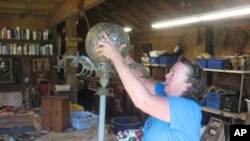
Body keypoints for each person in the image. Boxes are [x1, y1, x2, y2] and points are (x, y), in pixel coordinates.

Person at [95, 31, 207, 141]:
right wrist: (123, 55)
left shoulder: (189, 110)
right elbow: (144, 81)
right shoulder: (165, 93)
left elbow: (143, 101)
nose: (166, 75)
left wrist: (116, 57)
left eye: (173, 74)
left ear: (187, 85)